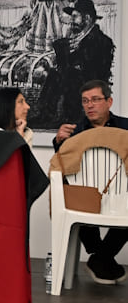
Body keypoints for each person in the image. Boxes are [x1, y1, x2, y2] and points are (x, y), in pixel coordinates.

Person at [53, 79, 128, 285]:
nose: (90, 105)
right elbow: (62, 167)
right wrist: (58, 143)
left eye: (95, 99)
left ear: (109, 101)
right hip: (85, 198)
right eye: (85, 101)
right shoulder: (74, 131)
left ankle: (100, 257)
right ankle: (100, 255)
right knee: (70, 191)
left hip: (122, 196)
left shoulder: (126, 127)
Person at [35, 0, 114, 125]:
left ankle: (70, 117)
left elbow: (93, 69)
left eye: (75, 17)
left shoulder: (101, 41)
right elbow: (65, 63)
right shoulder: (76, 37)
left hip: (92, 81)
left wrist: (70, 59)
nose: (71, 21)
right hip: (73, 78)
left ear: (87, 18)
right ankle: (45, 114)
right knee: (54, 74)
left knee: (70, 76)